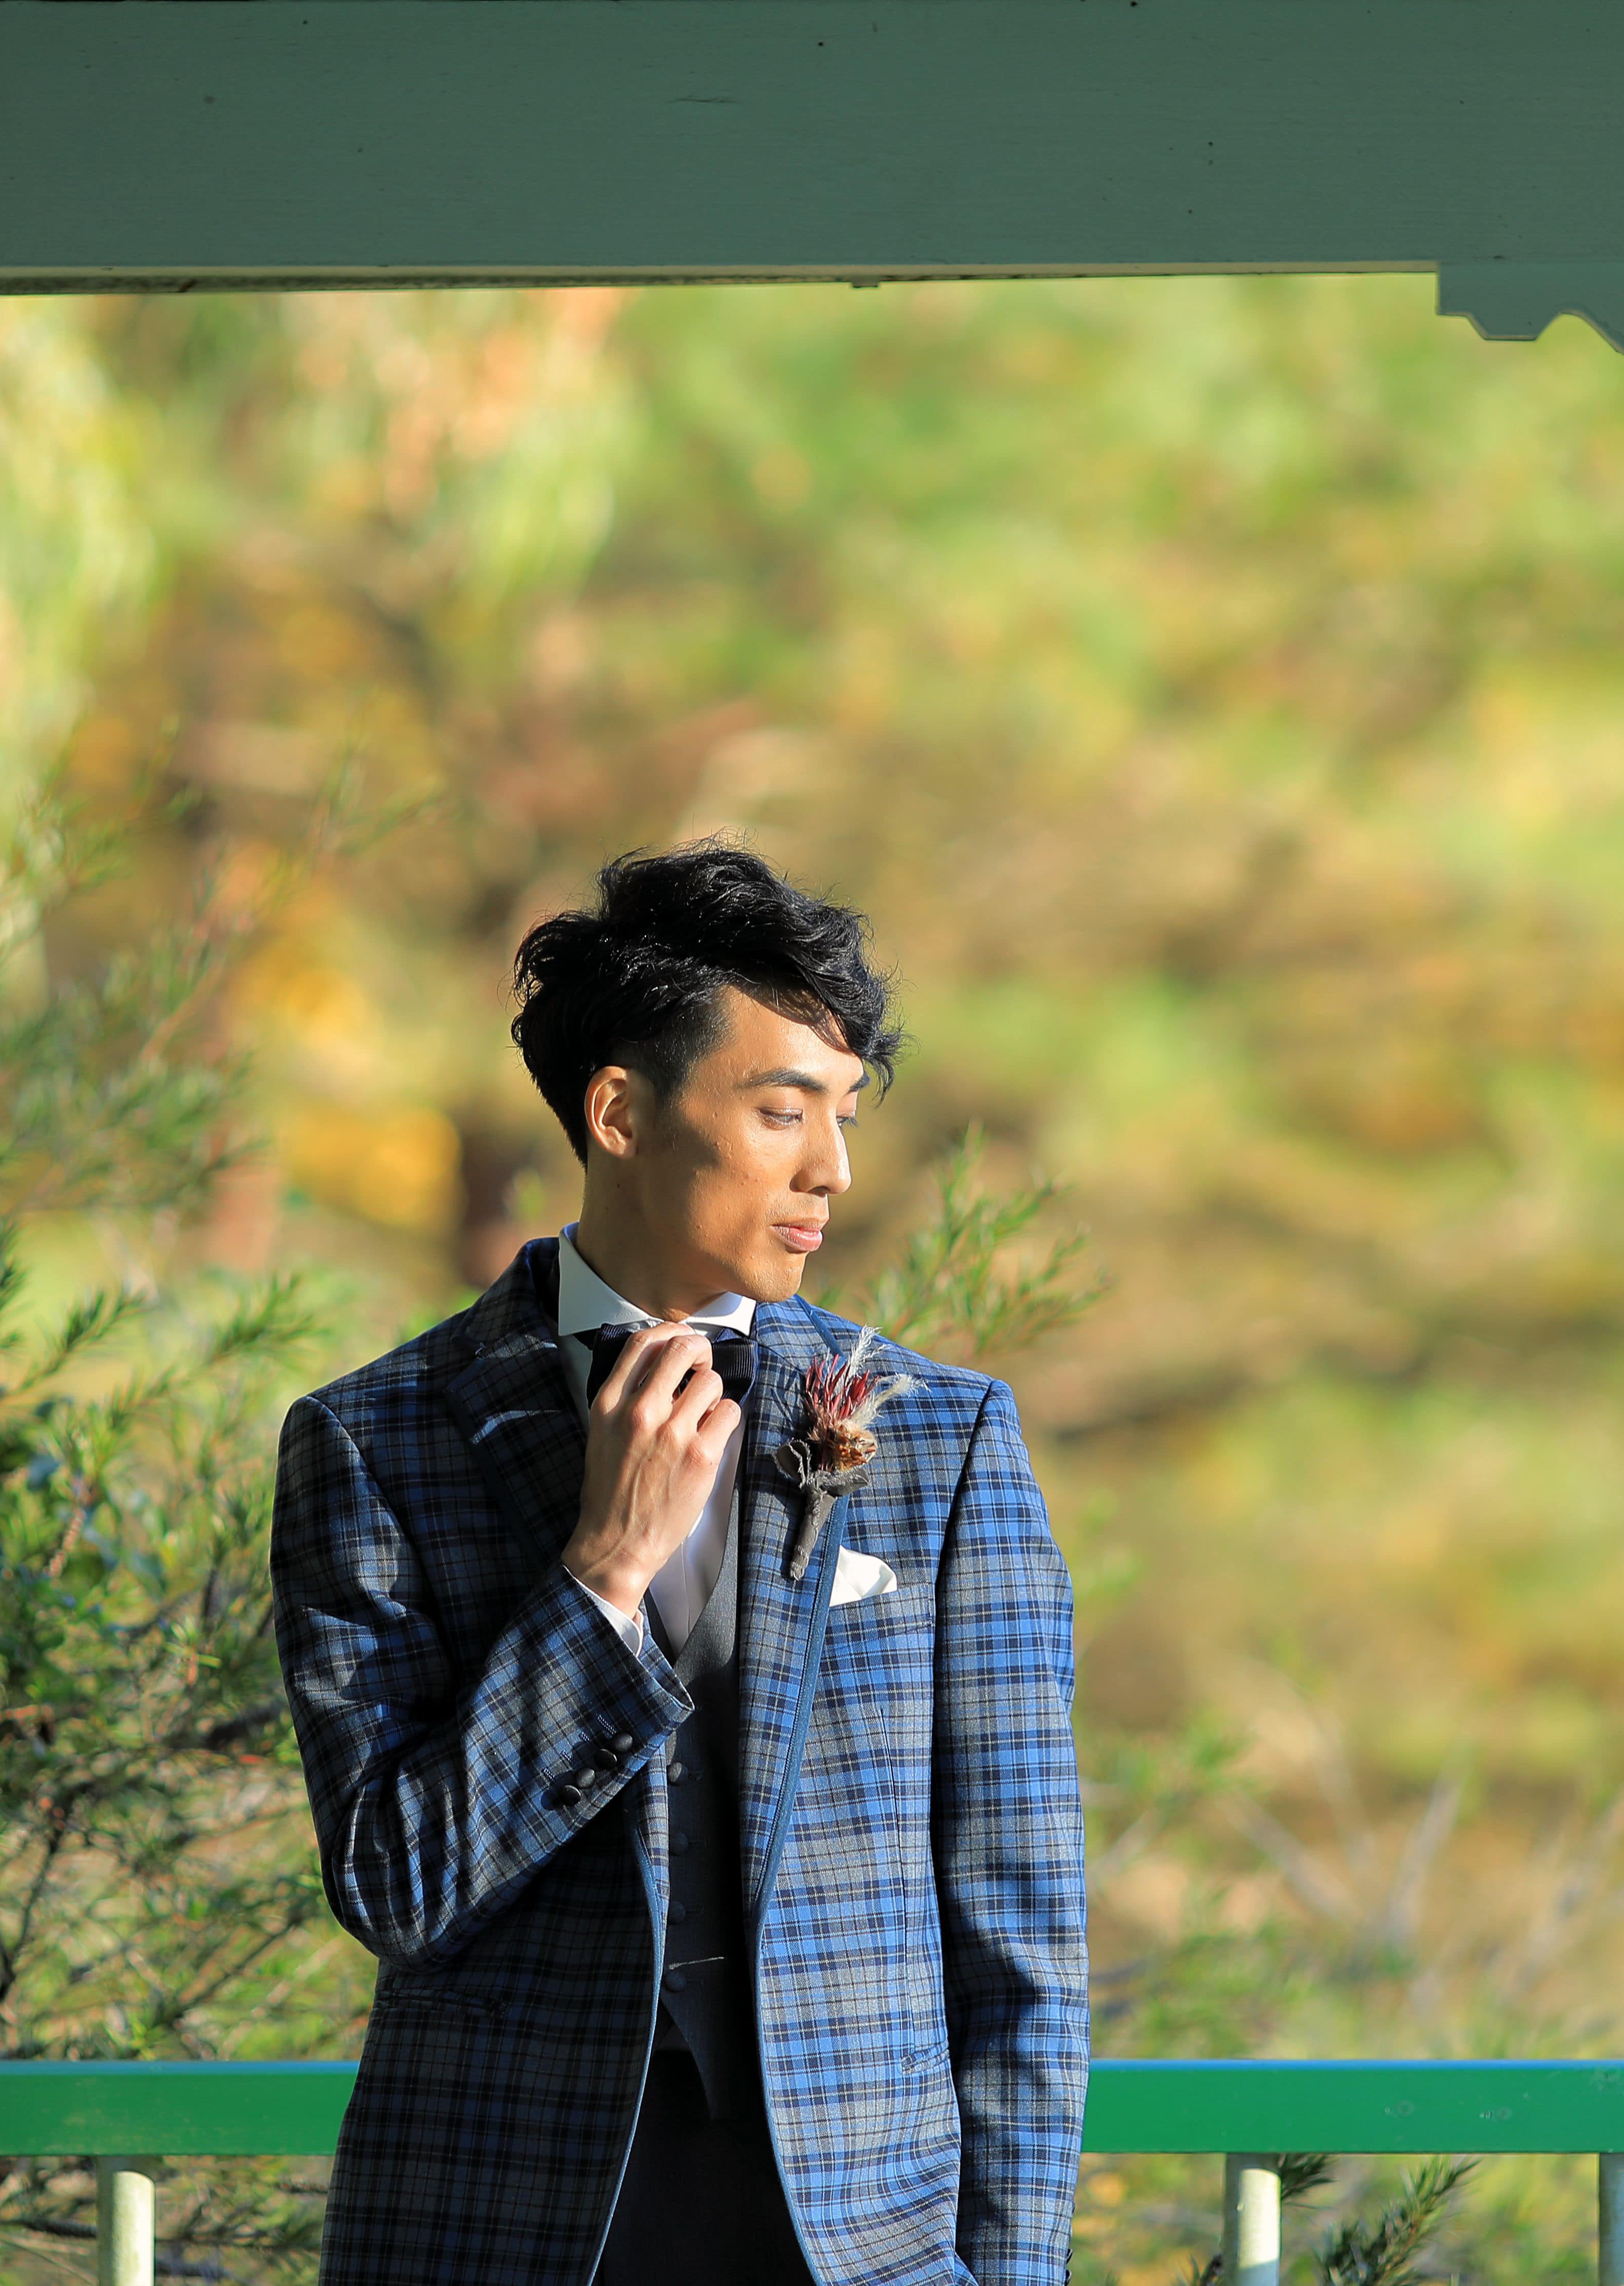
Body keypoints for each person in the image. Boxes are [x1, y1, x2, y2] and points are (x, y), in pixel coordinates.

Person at [271, 841, 1086, 2286]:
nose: (832, 1169)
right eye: (781, 1112)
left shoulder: (943, 1441)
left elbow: (1020, 1936)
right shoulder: (376, 1442)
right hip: (503, 2230)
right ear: (621, 1115)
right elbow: (398, 1885)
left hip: (857, 2243)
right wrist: (600, 1578)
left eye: (843, 1116)